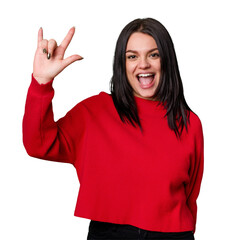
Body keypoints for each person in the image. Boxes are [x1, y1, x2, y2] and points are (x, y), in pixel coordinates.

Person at [22, 18, 204, 240]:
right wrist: (41, 83)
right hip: (110, 233)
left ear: (167, 60)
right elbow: (38, 144)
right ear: (122, 63)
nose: (143, 64)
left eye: (154, 54)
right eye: (132, 56)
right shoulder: (94, 112)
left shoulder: (188, 122)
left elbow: (190, 196)